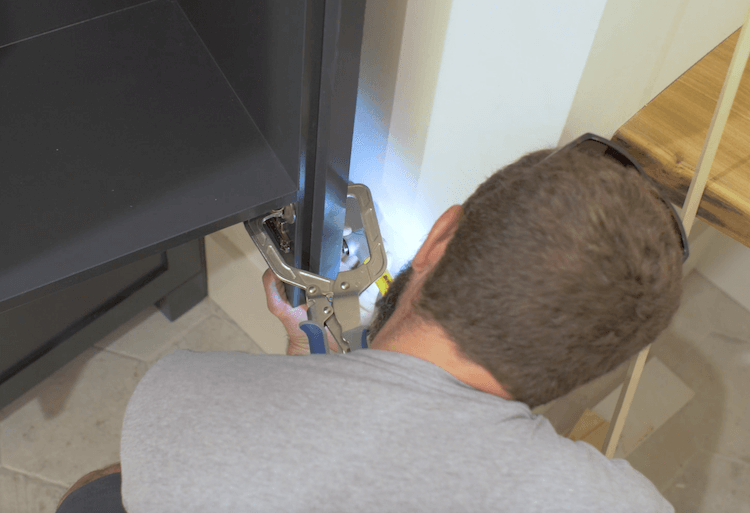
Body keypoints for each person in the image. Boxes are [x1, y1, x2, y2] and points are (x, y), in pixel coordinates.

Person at [57, 137, 683, 512]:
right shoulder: (624, 503)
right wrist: (309, 345)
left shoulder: (181, 393)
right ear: (593, 363)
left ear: (441, 235)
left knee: (96, 493)